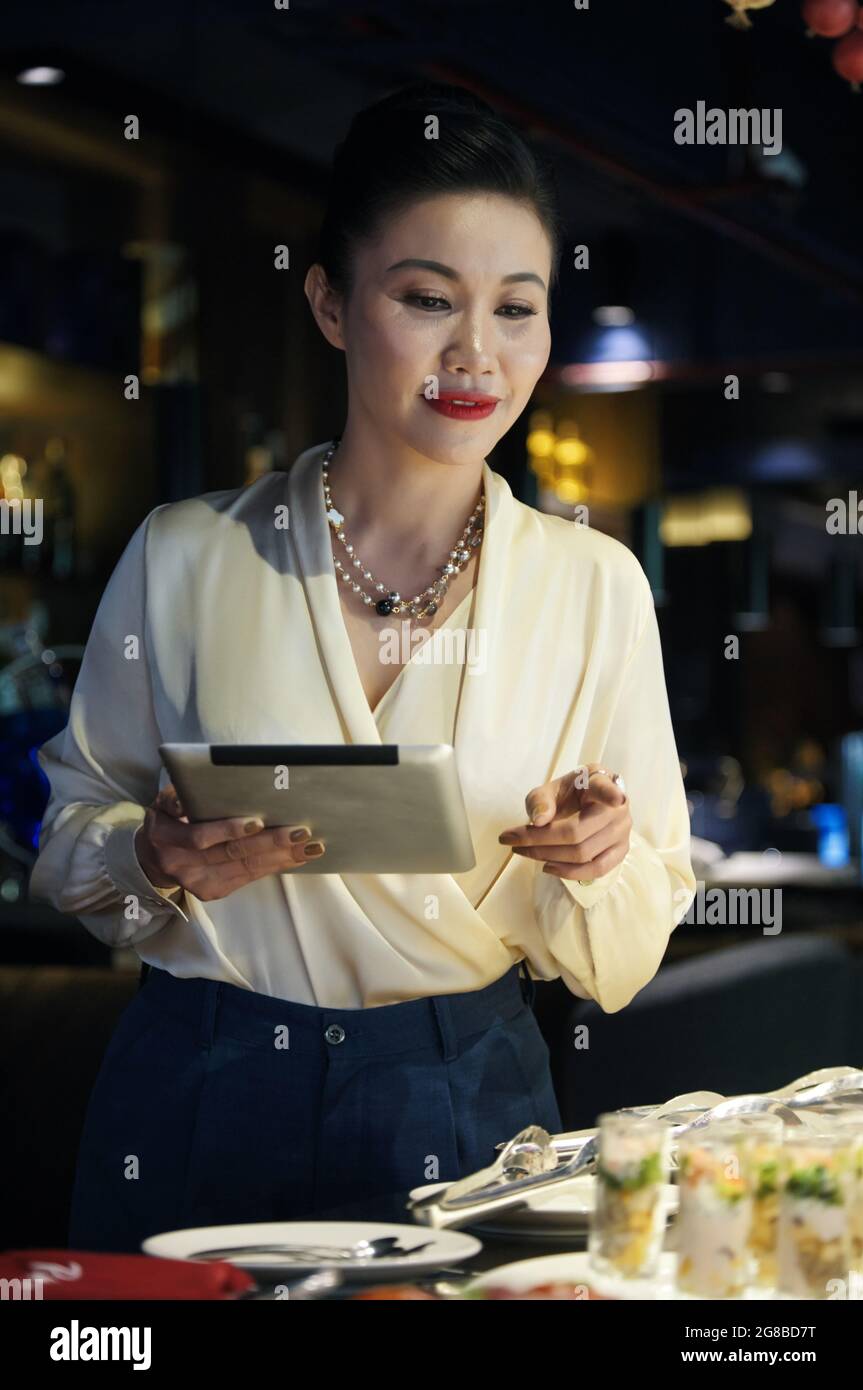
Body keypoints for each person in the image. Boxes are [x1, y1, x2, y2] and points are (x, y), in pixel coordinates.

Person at [29, 82, 696, 1254]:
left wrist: (595, 862)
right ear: (332, 303)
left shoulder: (594, 588)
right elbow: (73, 842)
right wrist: (150, 854)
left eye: (516, 308)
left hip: (466, 1093)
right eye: (427, 298)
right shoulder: (185, 553)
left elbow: (624, 958)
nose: (474, 353)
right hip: (200, 1079)